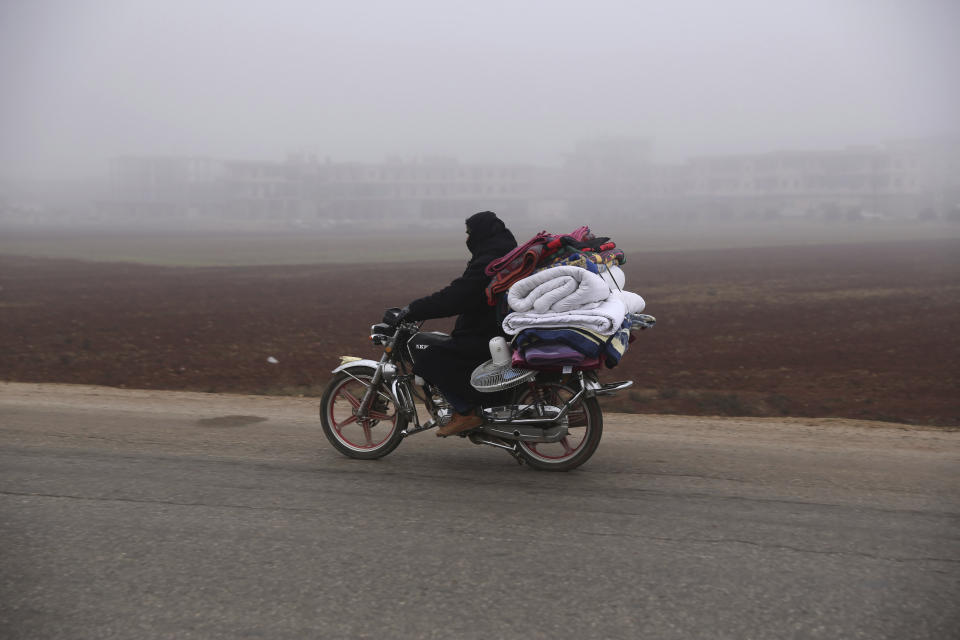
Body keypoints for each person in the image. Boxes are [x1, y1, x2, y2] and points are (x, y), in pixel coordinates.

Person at [399, 211, 517, 437]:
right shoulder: (506, 254)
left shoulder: (489, 261)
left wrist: (414, 309)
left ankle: (465, 413)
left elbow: (458, 296)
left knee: (429, 360)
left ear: (480, 234)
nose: (467, 239)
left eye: (469, 233)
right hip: (499, 331)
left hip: (485, 334)